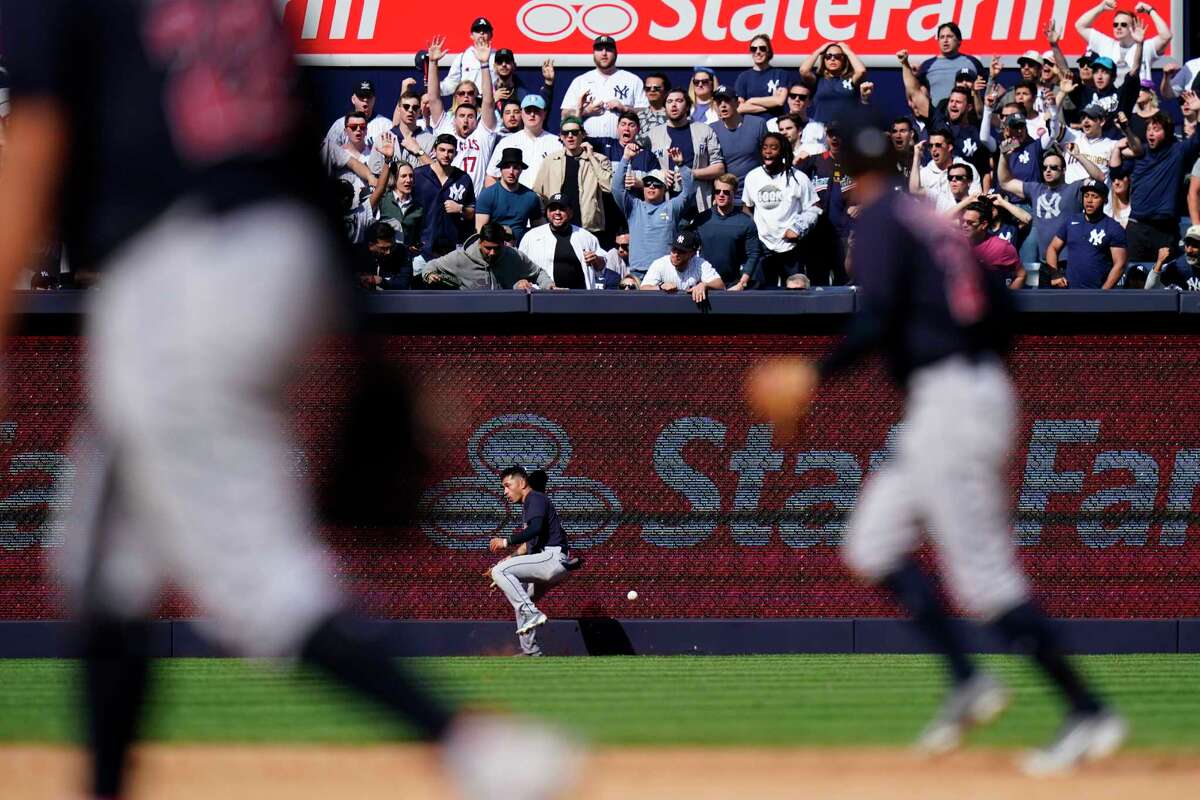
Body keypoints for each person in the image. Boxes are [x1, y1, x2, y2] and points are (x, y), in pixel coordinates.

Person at [0, 3, 581, 800]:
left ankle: (478, 749)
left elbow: (35, 144)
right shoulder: (249, 13)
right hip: (280, 263)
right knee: (102, 559)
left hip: (175, 272)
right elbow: (306, 175)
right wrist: (369, 354)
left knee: (258, 581)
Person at [746, 107, 1126, 777]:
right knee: (872, 543)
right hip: (949, 398)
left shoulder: (887, 221)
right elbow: (1003, 308)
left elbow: (878, 320)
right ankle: (968, 681)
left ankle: (1088, 711)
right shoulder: (926, 217)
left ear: (845, 167)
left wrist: (813, 373)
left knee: (982, 579)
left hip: (951, 401)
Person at [488, 467, 573, 654]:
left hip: (551, 558)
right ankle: (531, 652)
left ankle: (532, 613)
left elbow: (534, 529)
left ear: (522, 482)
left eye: (507, 486)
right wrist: (509, 559)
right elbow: (528, 546)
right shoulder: (531, 505)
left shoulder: (534, 498)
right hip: (549, 562)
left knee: (500, 572)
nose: (505, 492)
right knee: (520, 597)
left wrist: (504, 542)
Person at [741, 132, 821, 287]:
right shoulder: (752, 176)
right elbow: (747, 207)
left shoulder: (798, 178)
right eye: (765, 148)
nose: (768, 151)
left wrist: (798, 228)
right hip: (763, 246)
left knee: (796, 293)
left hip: (791, 247)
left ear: (783, 151)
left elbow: (815, 207)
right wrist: (755, 231)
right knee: (761, 294)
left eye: (773, 148)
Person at [1126, 107, 1200, 262]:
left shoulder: (1177, 151)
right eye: (1148, 129)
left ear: (1167, 132)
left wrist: (1198, 110)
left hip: (1164, 230)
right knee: (1133, 279)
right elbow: (1115, 172)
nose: (1150, 133)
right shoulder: (1141, 153)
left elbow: (1197, 139)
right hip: (1137, 228)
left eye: (1156, 129)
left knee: (1165, 279)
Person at [426, 36, 497, 195]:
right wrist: (432, 63)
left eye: (471, 93)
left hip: (474, 203)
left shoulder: (484, 130)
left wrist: (484, 65)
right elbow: (433, 98)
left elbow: (488, 102)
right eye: (461, 93)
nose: (465, 120)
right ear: (455, 96)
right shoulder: (445, 124)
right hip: (445, 198)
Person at [613, 146, 694, 279]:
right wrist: (625, 158)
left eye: (656, 184)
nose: (651, 186)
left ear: (664, 189)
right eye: (647, 183)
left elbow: (689, 192)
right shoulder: (633, 206)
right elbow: (617, 188)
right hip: (638, 273)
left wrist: (681, 165)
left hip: (665, 273)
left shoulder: (672, 207)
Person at [560, 35, 645, 154]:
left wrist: (624, 108)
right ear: (593, 53)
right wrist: (586, 111)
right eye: (599, 49)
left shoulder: (632, 80)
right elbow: (565, 115)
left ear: (616, 53)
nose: (604, 53)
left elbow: (646, 114)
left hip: (623, 148)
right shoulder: (581, 81)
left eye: (608, 49)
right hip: (587, 147)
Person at [532, 118, 613, 240]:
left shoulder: (599, 159)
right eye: (565, 133)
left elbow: (609, 186)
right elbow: (538, 192)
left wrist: (591, 157)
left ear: (583, 134)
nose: (570, 136)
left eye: (574, 132)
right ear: (561, 137)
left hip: (587, 227)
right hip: (558, 226)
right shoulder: (551, 161)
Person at [646, 88, 725, 211]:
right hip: (665, 203)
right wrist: (659, 174)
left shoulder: (704, 131)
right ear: (664, 107)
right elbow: (644, 169)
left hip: (699, 202)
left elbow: (719, 168)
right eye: (669, 101)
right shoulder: (653, 135)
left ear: (688, 106)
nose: (674, 105)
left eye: (679, 101)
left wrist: (691, 174)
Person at [1045, 180, 1127, 289]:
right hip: (1070, 291)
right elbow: (1053, 248)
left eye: (1094, 196)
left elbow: (1120, 264)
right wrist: (1055, 274)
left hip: (1097, 293)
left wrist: (1103, 292)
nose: (1089, 200)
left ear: (1105, 200)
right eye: (1086, 196)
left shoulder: (1113, 228)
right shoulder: (1071, 221)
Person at [422, 223, 552, 290]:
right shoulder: (461, 257)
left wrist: (548, 285)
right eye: (488, 248)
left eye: (497, 248)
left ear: (503, 244)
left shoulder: (514, 256)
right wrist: (429, 275)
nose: (492, 253)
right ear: (480, 243)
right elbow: (431, 265)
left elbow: (537, 272)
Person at [518, 194, 606, 290]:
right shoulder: (531, 236)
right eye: (553, 209)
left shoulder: (586, 237)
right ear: (547, 213)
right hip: (543, 297)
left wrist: (596, 259)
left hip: (580, 297)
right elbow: (519, 265)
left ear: (571, 213)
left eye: (562, 209)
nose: (557, 212)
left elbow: (603, 267)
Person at [692, 173, 762, 290]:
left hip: (733, 284)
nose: (721, 195)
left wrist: (742, 283)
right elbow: (690, 249)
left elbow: (753, 254)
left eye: (726, 192)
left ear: (734, 193)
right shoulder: (702, 219)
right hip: (705, 283)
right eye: (717, 191)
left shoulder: (746, 222)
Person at [1075, 1, 1171, 85]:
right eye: (1115, 24)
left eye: (1123, 24)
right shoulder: (1106, 44)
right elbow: (1080, 26)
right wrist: (1101, 7)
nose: (1118, 27)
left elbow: (1166, 36)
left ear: (1133, 27)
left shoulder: (1145, 46)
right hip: (1113, 102)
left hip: (1138, 101)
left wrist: (1150, 10)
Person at [412, 134, 476, 260]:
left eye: (450, 151)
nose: (446, 155)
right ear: (434, 151)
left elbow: (472, 212)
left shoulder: (463, 178)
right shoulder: (418, 175)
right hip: (422, 248)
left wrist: (460, 209)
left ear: (456, 153)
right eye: (442, 150)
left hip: (452, 249)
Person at [485, 94, 562, 190]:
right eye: (528, 111)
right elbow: (491, 176)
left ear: (544, 113)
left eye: (536, 111)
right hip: (515, 200)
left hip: (547, 201)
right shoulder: (507, 142)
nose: (532, 114)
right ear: (521, 113)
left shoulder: (557, 143)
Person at [475, 148, 543, 244]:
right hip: (494, 248)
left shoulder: (531, 197)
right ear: (501, 169)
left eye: (515, 167)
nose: (511, 172)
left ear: (521, 170)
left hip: (521, 249)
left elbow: (539, 231)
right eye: (507, 167)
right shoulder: (487, 194)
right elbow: (480, 232)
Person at [639, 230, 724, 305]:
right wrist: (660, 287)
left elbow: (720, 285)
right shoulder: (660, 264)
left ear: (692, 254)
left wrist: (705, 285)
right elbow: (643, 289)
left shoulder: (700, 264)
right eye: (674, 249)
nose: (675, 254)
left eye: (681, 251)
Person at [321, 79, 392, 169]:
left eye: (369, 97)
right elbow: (327, 157)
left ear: (374, 100)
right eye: (361, 97)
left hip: (374, 175)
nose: (365, 100)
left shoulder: (385, 125)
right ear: (353, 99)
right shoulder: (340, 125)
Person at [913, 22, 986, 106]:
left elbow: (990, 89)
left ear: (959, 41)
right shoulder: (927, 65)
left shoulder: (973, 62)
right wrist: (914, 76)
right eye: (942, 37)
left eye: (949, 36)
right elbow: (915, 95)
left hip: (967, 117)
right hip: (936, 117)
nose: (945, 40)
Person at [910, 129, 981, 212]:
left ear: (949, 147)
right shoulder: (924, 174)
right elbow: (915, 193)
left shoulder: (967, 169)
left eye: (938, 145)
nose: (933, 149)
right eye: (931, 146)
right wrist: (916, 158)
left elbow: (976, 202)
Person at [960, 200, 1026, 288]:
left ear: (983, 225)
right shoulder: (954, 245)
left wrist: (1009, 297)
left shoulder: (1001, 247)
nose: (964, 225)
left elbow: (1021, 275)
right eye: (963, 221)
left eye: (970, 223)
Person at [800, 41, 867, 125]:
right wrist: (819, 51)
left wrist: (847, 51)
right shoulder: (818, 79)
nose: (832, 59)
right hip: (821, 128)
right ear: (823, 60)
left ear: (844, 59)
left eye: (838, 56)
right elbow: (804, 71)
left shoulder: (850, 79)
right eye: (828, 56)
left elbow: (861, 71)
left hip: (846, 128)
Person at [710, 87, 767, 185]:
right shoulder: (711, 130)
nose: (723, 105)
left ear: (737, 103)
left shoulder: (757, 124)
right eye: (719, 102)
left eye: (727, 100)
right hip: (726, 192)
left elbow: (768, 156)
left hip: (754, 188)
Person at [735, 35, 790, 121]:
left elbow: (780, 101)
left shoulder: (781, 74)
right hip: (752, 126)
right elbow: (740, 108)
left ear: (769, 51)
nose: (758, 52)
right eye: (754, 49)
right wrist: (771, 103)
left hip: (776, 126)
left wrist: (751, 101)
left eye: (762, 48)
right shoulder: (743, 77)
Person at [439, 17, 495, 96]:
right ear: (471, 35)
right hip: (468, 103)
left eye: (485, 30)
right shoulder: (462, 57)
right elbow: (451, 84)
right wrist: (433, 88)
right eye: (478, 30)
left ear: (491, 35)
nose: (481, 33)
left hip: (491, 104)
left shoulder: (498, 57)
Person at [356, 221, 413, 290]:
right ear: (371, 245)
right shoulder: (355, 255)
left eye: (391, 247)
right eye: (384, 248)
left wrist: (382, 282)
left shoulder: (402, 252)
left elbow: (403, 284)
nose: (388, 252)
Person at [1148, 225, 1200, 290]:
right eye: (1187, 244)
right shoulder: (1177, 267)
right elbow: (1149, 291)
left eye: (1195, 245)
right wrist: (1159, 263)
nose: (1189, 250)